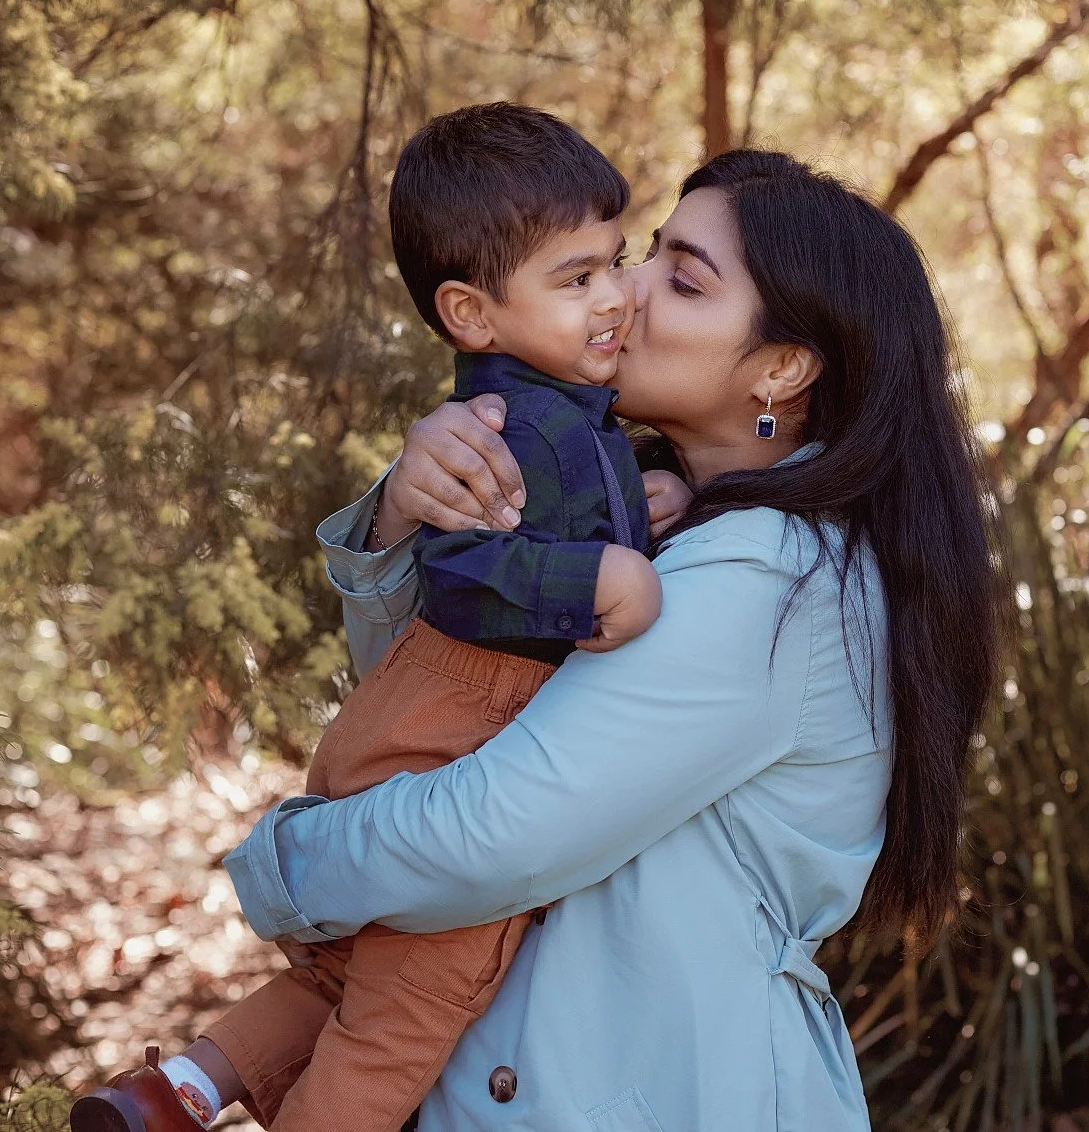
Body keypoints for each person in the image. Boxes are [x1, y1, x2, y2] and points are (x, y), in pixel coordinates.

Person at [222, 150, 999, 1130]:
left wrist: (285, 868)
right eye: (640, 257)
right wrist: (406, 521)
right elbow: (439, 718)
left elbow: (494, 830)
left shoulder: (771, 579)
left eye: (678, 279)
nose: (621, 294)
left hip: (661, 1091)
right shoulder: (643, 514)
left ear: (781, 366)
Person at [72, 104, 688, 1132]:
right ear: (471, 316)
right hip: (454, 730)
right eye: (576, 278)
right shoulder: (505, 426)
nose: (618, 296)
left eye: (616, 262)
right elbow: (463, 560)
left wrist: (654, 477)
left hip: (411, 723)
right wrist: (601, 582)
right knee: (398, 1026)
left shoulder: (566, 411)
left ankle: (175, 1090)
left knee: (341, 986)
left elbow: (586, 489)